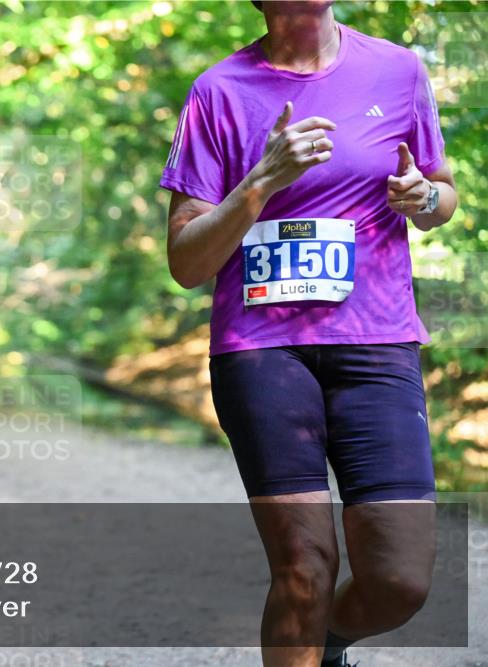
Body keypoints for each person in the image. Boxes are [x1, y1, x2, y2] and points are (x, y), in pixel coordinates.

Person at [160, 1, 457, 665]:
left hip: (376, 343)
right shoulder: (218, 91)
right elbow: (186, 262)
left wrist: (423, 198)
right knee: (304, 566)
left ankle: (326, 646)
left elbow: (442, 194)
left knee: (400, 580)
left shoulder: (398, 70)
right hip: (262, 351)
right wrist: (262, 181)